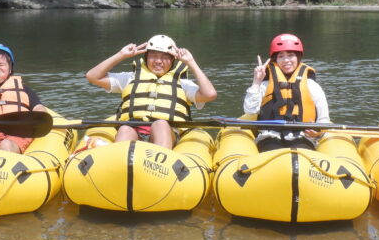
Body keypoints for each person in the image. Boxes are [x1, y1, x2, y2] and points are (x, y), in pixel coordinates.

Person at [85, 34, 217, 149]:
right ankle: (119, 162)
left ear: (172, 60)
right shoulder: (130, 78)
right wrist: (121, 55)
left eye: (164, 57)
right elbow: (92, 76)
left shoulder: (183, 84)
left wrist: (191, 62)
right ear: (146, 57)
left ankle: (160, 165)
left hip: (166, 133)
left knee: (160, 124)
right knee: (125, 128)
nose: (158, 61)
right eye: (153, 55)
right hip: (134, 131)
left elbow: (210, 94)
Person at [243, 33, 331, 151]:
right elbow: (250, 110)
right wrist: (256, 82)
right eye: (281, 56)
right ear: (275, 59)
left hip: (303, 137)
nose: (286, 60)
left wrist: (318, 131)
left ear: (298, 58)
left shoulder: (312, 86)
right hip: (270, 137)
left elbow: (324, 119)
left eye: (291, 55)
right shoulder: (264, 85)